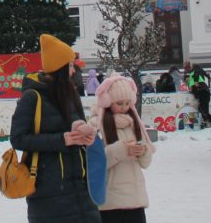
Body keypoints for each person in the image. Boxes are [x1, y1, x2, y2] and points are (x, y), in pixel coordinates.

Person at [10, 34, 100, 222]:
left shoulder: (70, 94)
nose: (73, 71)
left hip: (81, 189)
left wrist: (84, 132)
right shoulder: (32, 97)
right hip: (48, 192)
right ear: (59, 68)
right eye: (69, 65)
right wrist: (62, 140)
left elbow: (76, 124)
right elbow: (18, 138)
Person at [89, 73, 154, 221]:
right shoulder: (96, 125)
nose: (124, 108)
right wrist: (122, 150)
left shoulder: (134, 123)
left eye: (127, 103)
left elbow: (146, 163)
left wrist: (143, 151)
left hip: (135, 201)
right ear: (107, 101)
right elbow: (94, 161)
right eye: (119, 103)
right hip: (110, 203)